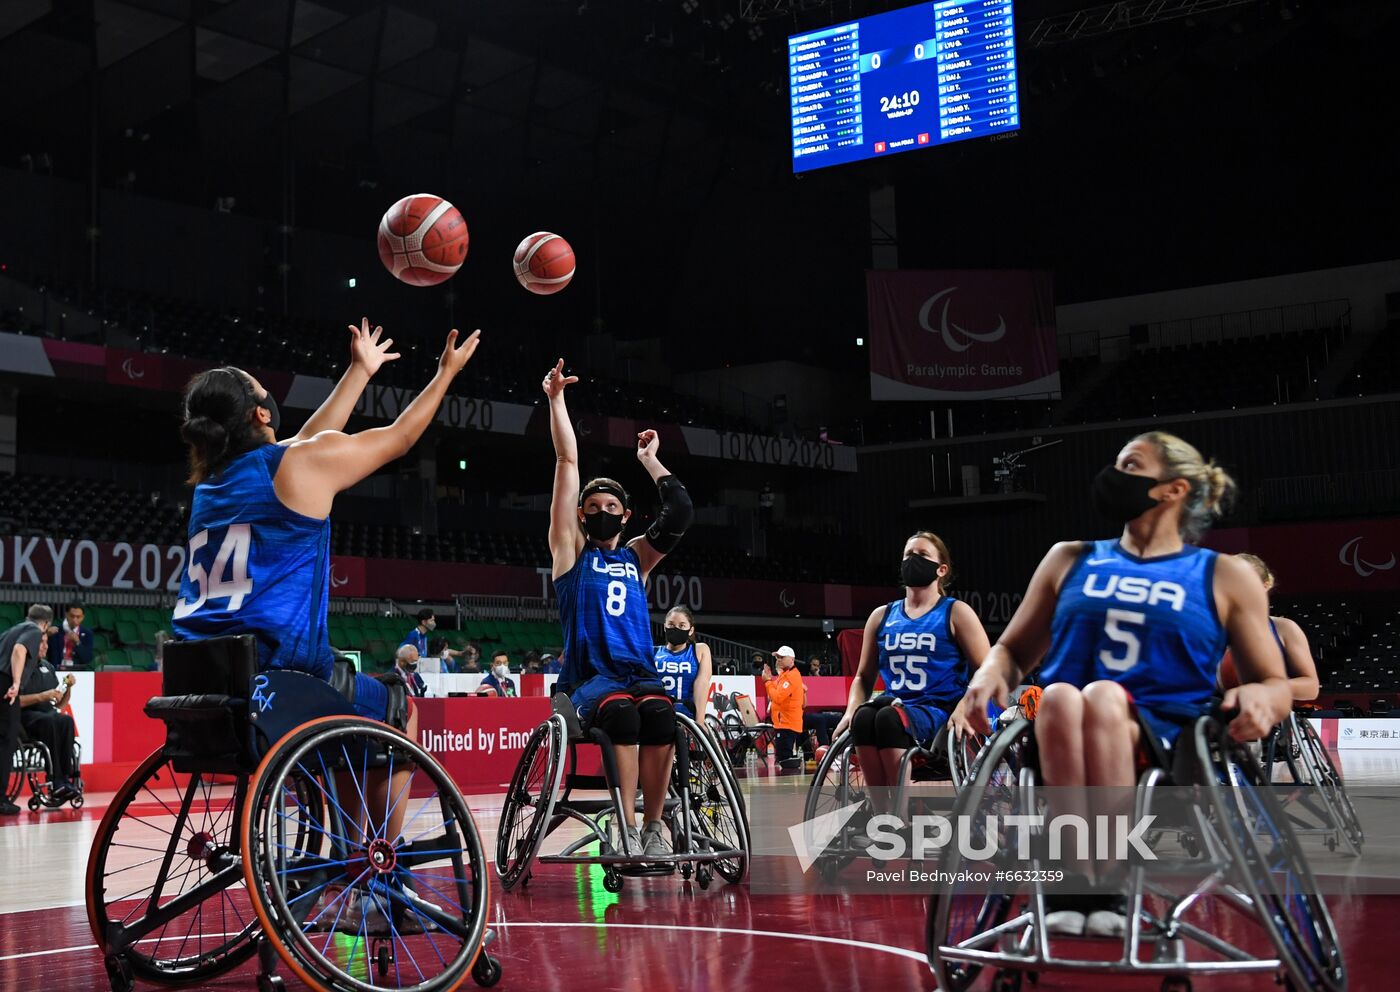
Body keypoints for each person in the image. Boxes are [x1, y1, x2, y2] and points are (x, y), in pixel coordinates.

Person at [171, 317, 479, 929]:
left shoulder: (210, 489)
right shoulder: (296, 467)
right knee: (396, 706)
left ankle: (345, 857)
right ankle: (376, 873)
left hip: (203, 683)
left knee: (347, 702)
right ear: (261, 415)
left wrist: (360, 371)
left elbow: (310, 442)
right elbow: (397, 438)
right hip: (281, 681)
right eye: (267, 396)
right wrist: (445, 375)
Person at [957, 431, 1290, 938]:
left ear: (1172, 489)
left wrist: (1263, 696)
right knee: (1066, 694)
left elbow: (1275, 682)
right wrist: (987, 676)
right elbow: (1012, 651)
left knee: (1102, 694)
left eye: (1131, 465)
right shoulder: (1068, 558)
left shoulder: (1223, 575)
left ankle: (1109, 882)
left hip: (1171, 743)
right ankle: (1074, 880)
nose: (1114, 476)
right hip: (1060, 731)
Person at [545, 358, 694, 859]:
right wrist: (556, 399)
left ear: (627, 516)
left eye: (613, 508)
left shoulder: (637, 558)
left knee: (659, 717)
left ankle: (654, 828)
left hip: (638, 673)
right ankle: (625, 827)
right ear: (581, 516)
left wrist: (651, 461)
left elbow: (681, 512)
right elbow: (568, 464)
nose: (603, 512)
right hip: (591, 678)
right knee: (625, 720)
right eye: (594, 508)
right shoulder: (571, 553)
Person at [836, 532, 991, 811]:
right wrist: (850, 710)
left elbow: (988, 669)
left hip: (938, 713)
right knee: (864, 717)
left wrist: (965, 705)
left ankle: (900, 812)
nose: (912, 561)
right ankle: (880, 810)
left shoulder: (956, 612)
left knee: (887, 719)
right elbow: (863, 677)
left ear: (941, 569)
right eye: (908, 555)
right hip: (896, 706)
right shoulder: (882, 616)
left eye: (921, 555)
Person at [1225, 554, 1319, 701]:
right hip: (1214, 716)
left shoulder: (1285, 628)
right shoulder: (1207, 626)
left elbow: (1311, 687)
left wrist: (1267, 687)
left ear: (1265, 585)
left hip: (1269, 717)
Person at [1, 604, 54, 815]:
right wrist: (15, 683)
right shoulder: (33, 630)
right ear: (46, 624)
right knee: (6, 741)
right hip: (5, 686)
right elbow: (19, 650)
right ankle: (1, 799)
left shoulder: (10, 631)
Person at [19, 634, 80, 801]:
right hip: (27, 717)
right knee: (51, 720)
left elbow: (59, 704)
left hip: (47, 714)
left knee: (65, 720)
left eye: (46, 642)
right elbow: (16, 701)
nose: (45, 646)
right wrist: (41, 696)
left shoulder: (47, 667)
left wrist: (68, 688)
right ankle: (55, 780)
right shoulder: (20, 667)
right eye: (41, 643)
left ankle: (66, 778)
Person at [654, 606, 713, 721]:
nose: (676, 628)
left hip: (686, 715)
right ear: (665, 627)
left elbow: (702, 684)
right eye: (671, 624)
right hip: (657, 712)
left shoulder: (700, 650)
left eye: (682, 625)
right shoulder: (653, 652)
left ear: (690, 630)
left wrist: (699, 721)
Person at [762, 646, 806, 770]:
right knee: (784, 759)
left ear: (791, 659)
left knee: (785, 761)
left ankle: (790, 786)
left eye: (782, 657)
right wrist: (770, 680)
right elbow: (774, 691)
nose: (778, 660)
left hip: (787, 724)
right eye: (777, 657)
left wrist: (767, 682)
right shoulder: (785, 675)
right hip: (784, 723)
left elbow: (777, 697)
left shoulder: (791, 676)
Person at [47, 605, 94, 670]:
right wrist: (45, 635)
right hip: (56, 671)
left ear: (83, 617)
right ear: (66, 615)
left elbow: (87, 659)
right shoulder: (55, 632)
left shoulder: (87, 634)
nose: (74, 620)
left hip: (78, 673)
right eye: (72, 616)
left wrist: (78, 643)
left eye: (78, 617)